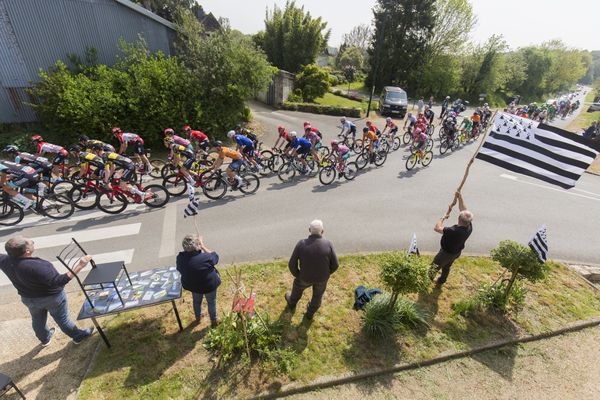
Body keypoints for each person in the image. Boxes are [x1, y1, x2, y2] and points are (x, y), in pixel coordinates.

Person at [0, 236, 94, 345]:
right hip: (51, 298)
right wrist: (80, 265)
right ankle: (78, 336)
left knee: (37, 319)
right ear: (27, 251)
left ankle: (45, 338)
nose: (32, 241)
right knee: (62, 319)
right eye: (30, 242)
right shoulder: (39, 266)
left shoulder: (4, 260)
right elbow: (59, 281)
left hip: (28, 298)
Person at [285, 220, 339, 319]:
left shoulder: (301, 244)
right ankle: (310, 314)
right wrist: (326, 274)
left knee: (297, 289)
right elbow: (335, 264)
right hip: (322, 278)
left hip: (304, 277)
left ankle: (292, 303)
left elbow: (291, 264)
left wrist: (298, 275)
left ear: (309, 230)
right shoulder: (328, 244)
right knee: (317, 296)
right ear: (323, 231)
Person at [176, 235, 221, 327]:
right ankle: (214, 320)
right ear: (197, 246)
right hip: (209, 285)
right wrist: (203, 245)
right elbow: (215, 256)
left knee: (196, 301)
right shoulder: (205, 258)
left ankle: (198, 318)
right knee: (211, 301)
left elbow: (179, 269)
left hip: (194, 286)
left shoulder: (180, 258)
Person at [430, 192, 473, 286]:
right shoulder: (469, 226)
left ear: (458, 218)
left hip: (445, 254)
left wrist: (443, 217)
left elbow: (437, 228)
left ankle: (427, 280)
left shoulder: (453, 231)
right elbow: (464, 210)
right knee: (447, 266)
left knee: (434, 267)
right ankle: (441, 280)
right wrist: (460, 197)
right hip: (456, 253)